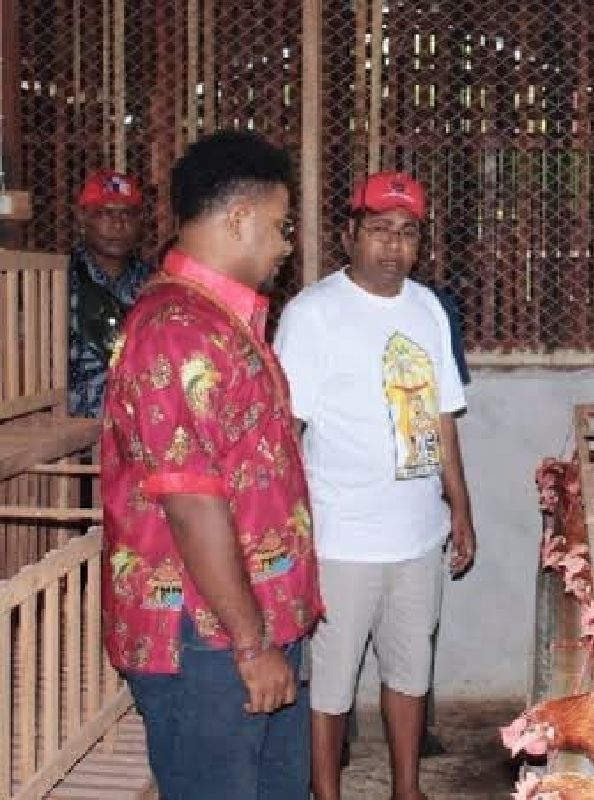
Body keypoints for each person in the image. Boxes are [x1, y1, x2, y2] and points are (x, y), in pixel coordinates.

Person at [99, 130, 323, 800]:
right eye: (280, 227)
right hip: (208, 640)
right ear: (238, 220)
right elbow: (193, 504)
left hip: (255, 622)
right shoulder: (176, 331)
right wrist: (251, 646)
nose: (286, 246)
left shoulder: (223, 324)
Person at [274, 170, 477, 800]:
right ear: (348, 234)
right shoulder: (313, 314)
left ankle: (406, 789)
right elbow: (286, 432)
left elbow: (442, 415)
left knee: (410, 672)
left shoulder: (429, 310)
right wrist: (289, 531)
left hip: (417, 535)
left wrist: (461, 510)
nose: (393, 246)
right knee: (331, 683)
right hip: (339, 538)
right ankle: (327, 794)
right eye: (379, 230)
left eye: (407, 232)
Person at [69, 169, 153, 417]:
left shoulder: (154, 285)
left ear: (141, 221)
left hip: (141, 422)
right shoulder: (60, 281)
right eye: (106, 213)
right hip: (77, 428)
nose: (118, 224)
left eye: (128, 214)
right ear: (83, 217)